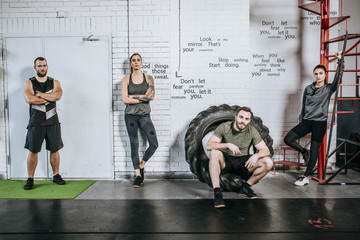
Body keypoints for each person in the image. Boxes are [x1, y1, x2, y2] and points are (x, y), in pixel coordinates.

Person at [284, 51, 344, 186]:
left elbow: (338, 78)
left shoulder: (329, 88)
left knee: (315, 150)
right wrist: (301, 120)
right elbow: (304, 105)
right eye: (316, 73)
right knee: (288, 139)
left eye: (321, 73)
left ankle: (305, 177)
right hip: (306, 121)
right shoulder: (308, 88)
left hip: (320, 123)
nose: (318, 76)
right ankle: (305, 151)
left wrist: (341, 61)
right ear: (314, 75)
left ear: (325, 75)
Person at [206, 106, 273, 208]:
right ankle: (217, 192)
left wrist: (256, 155)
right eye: (241, 117)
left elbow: (266, 150)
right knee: (214, 153)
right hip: (226, 160)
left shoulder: (252, 131)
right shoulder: (224, 127)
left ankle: (246, 188)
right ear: (236, 117)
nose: (243, 121)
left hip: (244, 162)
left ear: (249, 120)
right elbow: (209, 145)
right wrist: (227, 145)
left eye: (246, 119)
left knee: (268, 162)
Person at [23, 57, 65, 190]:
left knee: (55, 149)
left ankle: (56, 175)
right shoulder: (29, 83)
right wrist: (49, 96)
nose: (42, 68)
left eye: (44, 65)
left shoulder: (54, 82)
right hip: (36, 122)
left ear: (47, 67)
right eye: (39, 66)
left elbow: (57, 96)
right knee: (33, 151)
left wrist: (40, 95)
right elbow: (30, 99)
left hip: (53, 121)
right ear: (35, 67)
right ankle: (30, 178)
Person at [121, 53, 158, 188]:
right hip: (130, 116)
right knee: (134, 144)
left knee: (154, 144)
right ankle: (137, 175)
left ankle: (142, 164)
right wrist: (143, 96)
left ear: (141, 62)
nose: (136, 62)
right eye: (133, 60)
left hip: (144, 116)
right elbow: (125, 100)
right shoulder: (126, 79)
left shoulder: (148, 78)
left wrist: (133, 97)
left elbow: (152, 97)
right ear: (131, 64)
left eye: (138, 60)